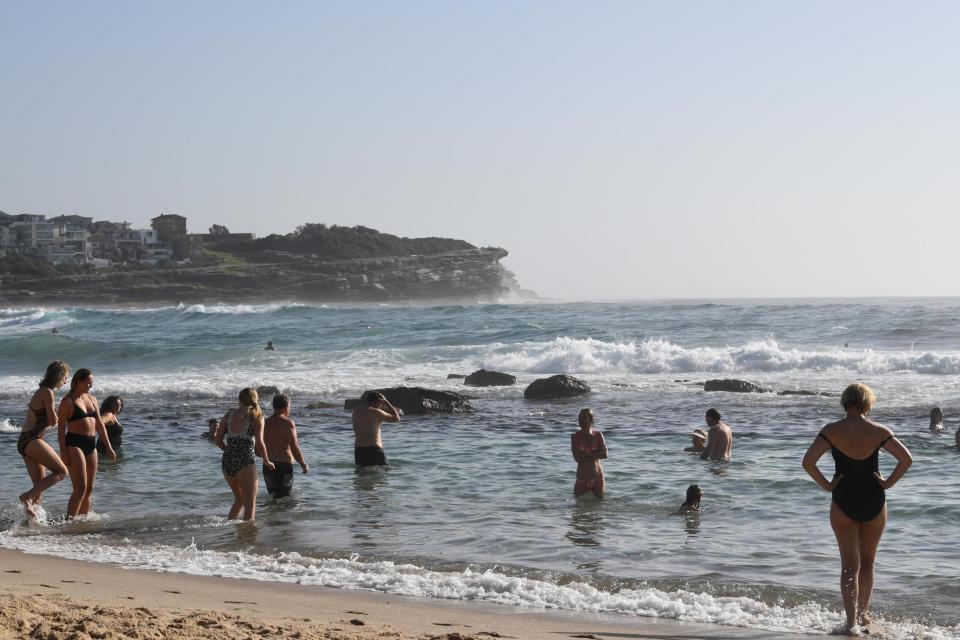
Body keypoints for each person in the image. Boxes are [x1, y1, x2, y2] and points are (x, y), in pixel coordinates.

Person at [801, 383, 913, 636]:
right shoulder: (879, 430)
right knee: (868, 563)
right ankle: (863, 616)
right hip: (875, 499)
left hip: (843, 501)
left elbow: (808, 462)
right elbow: (906, 459)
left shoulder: (831, 431)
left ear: (845, 402)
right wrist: (888, 483)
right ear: (867, 403)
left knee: (849, 566)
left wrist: (828, 486)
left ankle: (850, 623)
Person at [58, 368, 116, 519]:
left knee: (89, 489)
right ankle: (68, 522)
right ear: (78, 380)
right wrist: (63, 453)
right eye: (88, 382)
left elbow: (100, 425)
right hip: (74, 444)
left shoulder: (92, 399)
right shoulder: (67, 401)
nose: (91, 385)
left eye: (92, 383)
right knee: (80, 488)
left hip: (91, 444)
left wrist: (108, 446)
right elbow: (60, 430)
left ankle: (83, 521)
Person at [17, 361, 71, 518]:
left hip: (26, 441)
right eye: (65, 378)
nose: (65, 381)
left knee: (39, 488)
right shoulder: (47, 392)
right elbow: (53, 421)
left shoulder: (42, 391)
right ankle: (25, 497)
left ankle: (31, 526)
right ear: (59, 376)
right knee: (61, 471)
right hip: (31, 440)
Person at [214, 388, 273, 521]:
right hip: (245, 461)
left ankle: (231, 531)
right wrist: (267, 460)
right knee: (250, 507)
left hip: (227, 461)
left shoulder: (228, 415)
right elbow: (260, 443)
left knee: (239, 501)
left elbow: (217, 440)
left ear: (239, 400)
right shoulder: (256, 416)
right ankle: (248, 539)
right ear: (255, 399)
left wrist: (229, 452)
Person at [262, 394, 308, 499]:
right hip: (284, 466)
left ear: (274, 406)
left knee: (273, 497)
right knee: (284, 498)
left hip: (267, 466)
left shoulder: (264, 423)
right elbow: (294, 447)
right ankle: (283, 516)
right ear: (287, 406)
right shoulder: (288, 423)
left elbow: (258, 448)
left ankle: (271, 515)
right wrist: (303, 464)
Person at [352, 391, 401, 467]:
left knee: (362, 476)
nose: (381, 406)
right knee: (385, 472)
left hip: (359, 451)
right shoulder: (376, 412)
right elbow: (397, 418)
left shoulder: (355, 411)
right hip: (374, 449)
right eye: (381, 404)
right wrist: (386, 401)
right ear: (379, 401)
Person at [571, 408, 607, 499]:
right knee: (577, 510)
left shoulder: (598, 435)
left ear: (590, 419)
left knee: (599, 508)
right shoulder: (575, 437)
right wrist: (596, 455)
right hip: (582, 480)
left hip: (598, 479)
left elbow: (605, 455)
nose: (580, 420)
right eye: (579, 417)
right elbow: (577, 459)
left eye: (584, 418)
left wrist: (588, 455)